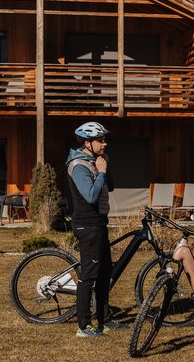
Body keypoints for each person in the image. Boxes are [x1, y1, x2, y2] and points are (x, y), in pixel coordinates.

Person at [66, 121, 125, 337]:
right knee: (89, 276)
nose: (104, 143)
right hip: (87, 225)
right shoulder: (79, 166)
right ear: (87, 142)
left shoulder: (93, 162)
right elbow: (91, 195)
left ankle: (105, 319)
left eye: (104, 139)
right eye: (100, 140)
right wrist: (100, 172)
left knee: (104, 274)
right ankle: (84, 326)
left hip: (99, 224)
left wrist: (104, 169)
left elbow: (110, 187)